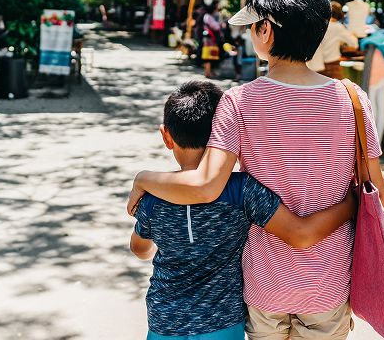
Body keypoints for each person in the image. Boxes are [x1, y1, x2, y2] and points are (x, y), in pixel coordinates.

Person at [128, 0, 384, 340]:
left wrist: (144, 178)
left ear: (266, 30)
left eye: (253, 25)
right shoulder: (352, 99)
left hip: (264, 284)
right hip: (330, 280)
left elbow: (206, 186)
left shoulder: (239, 102)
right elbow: (375, 188)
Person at [130, 80, 356, 340]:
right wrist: (349, 205)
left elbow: (140, 248)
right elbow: (299, 233)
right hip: (223, 323)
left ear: (166, 136)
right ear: (226, 134)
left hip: (164, 320)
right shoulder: (242, 191)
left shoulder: (153, 198)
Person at [307, 1, 359, 79]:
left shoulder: (317, 26)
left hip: (315, 65)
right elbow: (353, 44)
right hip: (332, 65)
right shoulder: (338, 27)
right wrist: (354, 36)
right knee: (334, 90)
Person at [200, 3, 223, 78]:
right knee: (209, 56)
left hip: (208, 38)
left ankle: (208, 72)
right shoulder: (209, 16)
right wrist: (220, 24)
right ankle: (208, 72)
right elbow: (215, 27)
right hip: (210, 39)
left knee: (209, 55)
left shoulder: (207, 16)